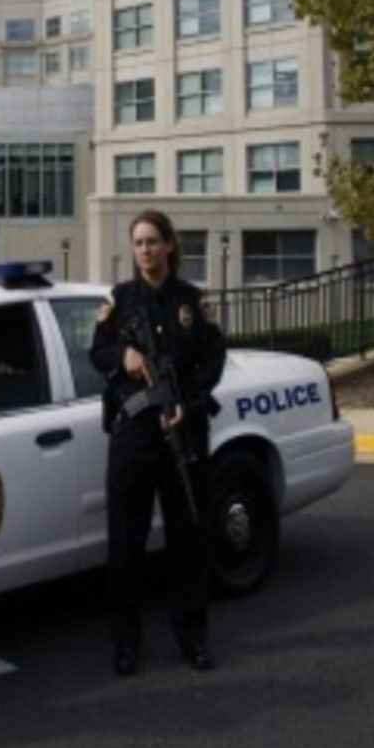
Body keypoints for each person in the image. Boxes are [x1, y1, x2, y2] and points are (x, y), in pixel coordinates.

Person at [88, 209, 227, 676]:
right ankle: (125, 643)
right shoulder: (120, 300)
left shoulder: (192, 302)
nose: (145, 250)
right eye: (138, 243)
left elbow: (213, 357)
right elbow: (96, 351)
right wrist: (122, 356)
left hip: (183, 431)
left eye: (153, 241)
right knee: (126, 541)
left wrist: (190, 401)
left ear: (169, 245)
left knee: (187, 538)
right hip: (134, 436)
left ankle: (193, 638)